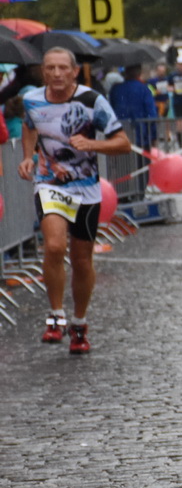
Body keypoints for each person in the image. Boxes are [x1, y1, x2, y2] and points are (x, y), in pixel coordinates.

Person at [16, 46, 133, 352]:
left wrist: (92, 143)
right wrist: (28, 157)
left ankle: (79, 324)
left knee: (82, 261)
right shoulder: (32, 99)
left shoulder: (92, 101)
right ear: (43, 72)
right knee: (54, 245)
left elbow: (123, 143)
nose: (56, 74)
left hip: (86, 189)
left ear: (74, 71)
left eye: (62, 68)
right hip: (49, 182)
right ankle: (55, 316)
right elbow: (30, 126)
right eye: (50, 68)